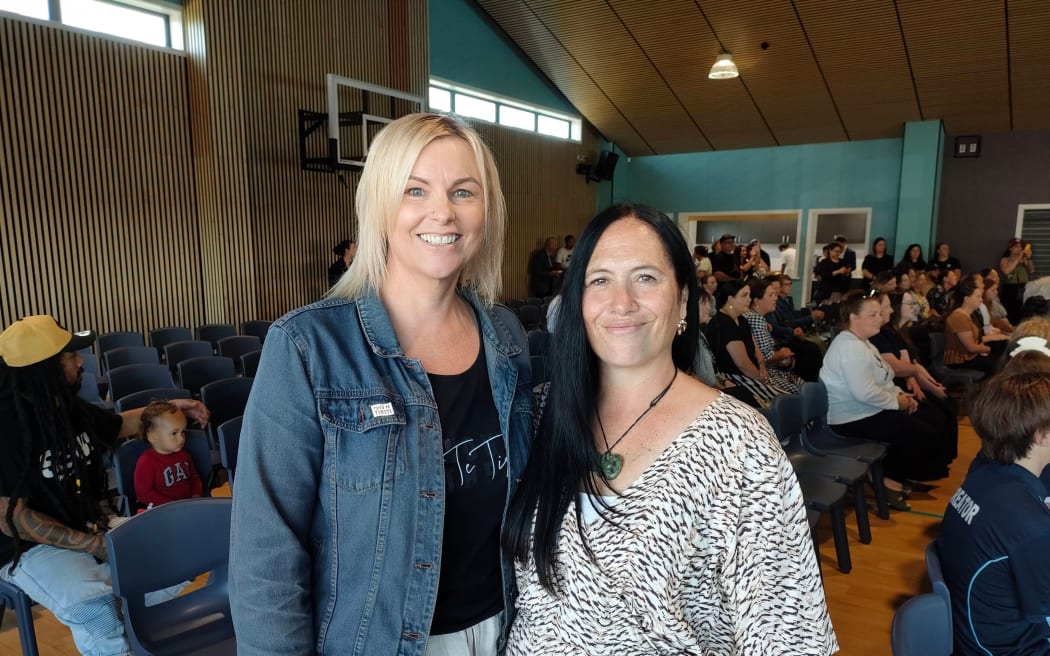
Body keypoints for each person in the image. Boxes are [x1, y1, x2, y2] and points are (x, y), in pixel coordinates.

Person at [228, 113, 532, 655]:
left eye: (464, 191)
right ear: (380, 205)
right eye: (416, 190)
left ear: (487, 211)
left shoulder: (504, 335)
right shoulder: (307, 347)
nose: (443, 211)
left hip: (507, 633)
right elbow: (266, 558)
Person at [503, 203, 836, 655]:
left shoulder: (738, 446)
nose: (622, 301)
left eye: (645, 277)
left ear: (682, 300)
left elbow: (791, 639)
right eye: (599, 280)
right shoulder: (543, 413)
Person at [0, 315, 209, 655]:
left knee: (181, 553)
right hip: (26, 548)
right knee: (97, 612)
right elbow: (13, 518)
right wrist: (94, 544)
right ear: (43, 369)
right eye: (69, 356)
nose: (80, 361)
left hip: (85, 522)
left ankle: (131, 620)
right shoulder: (6, 425)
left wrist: (172, 408)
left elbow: (117, 426)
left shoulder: (61, 405)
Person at [937, 351, 1050, 655]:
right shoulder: (1031, 523)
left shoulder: (986, 474)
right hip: (1005, 647)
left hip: (974, 628)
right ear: (1040, 435)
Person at [819, 291, 953, 511]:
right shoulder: (851, 348)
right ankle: (890, 482)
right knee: (921, 433)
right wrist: (898, 402)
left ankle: (892, 475)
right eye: (872, 315)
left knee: (928, 422)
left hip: (866, 410)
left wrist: (901, 396)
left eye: (879, 314)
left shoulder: (864, 343)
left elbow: (883, 379)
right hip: (850, 419)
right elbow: (864, 392)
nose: (879, 319)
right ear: (854, 318)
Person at [704, 279, 794, 405]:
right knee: (786, 401)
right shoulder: (723, 323)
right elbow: (742, 363)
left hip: (753, 373)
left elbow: (757, 351)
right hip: (736, 378)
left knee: (793, 394)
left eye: (749, 295)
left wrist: (762, 366)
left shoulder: (742, 320)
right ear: (730, 299)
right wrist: (759, 377)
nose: (749, 299)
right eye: (744, 295)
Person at [133, 400, 202, 509]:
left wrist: (196, 495)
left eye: (182, 432)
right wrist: (172, 506)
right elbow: (144, 494)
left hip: (190, 507)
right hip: (164, 512)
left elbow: (194, 478)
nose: (181, 438)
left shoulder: (184, 455)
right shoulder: (146, 461)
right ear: (153, 437)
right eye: (174, 433)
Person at [743, 277, 800, 393]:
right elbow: (765, 357)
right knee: (800, 389)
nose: (775, 298)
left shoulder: (756, 317)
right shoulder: (756, 319)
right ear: (757, 301)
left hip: (767, 370)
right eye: (770, 295)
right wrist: (782, 354)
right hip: (764, 373)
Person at [943, 275, 1008, 376]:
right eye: (978, 297)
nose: (981, 300)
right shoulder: (959, 317)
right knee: (997, 362)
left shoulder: (968, 315)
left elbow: (976, 340)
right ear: (967, 299)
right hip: (960, 360)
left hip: (970, 355)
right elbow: (972, 348)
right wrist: (988, 350)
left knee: (1002, 348)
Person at [1001, 237, 1035, 323]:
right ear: (1010, 248)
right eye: (1016, 247)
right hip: (1010, 288)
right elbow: (1006, 271)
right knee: (1010, 311)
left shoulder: (1024, 259)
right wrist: (1017, 259)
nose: (1019, 249)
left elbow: (1031, 270)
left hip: (1023, 287)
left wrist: (1028, 258)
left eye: (1020, 247)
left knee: (1023, 311)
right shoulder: (1005, 259)